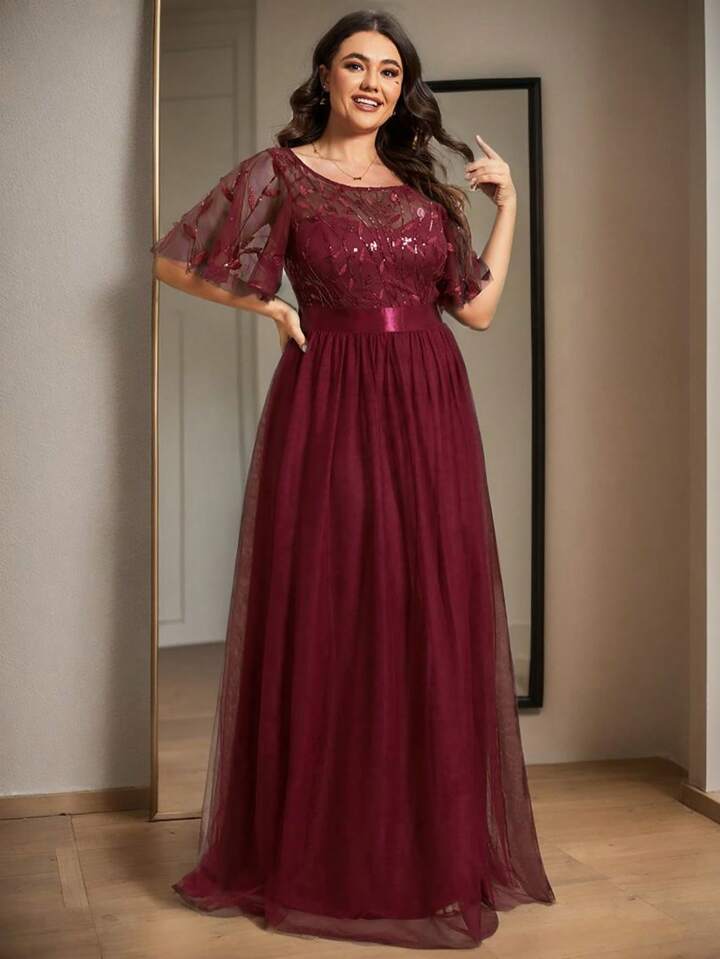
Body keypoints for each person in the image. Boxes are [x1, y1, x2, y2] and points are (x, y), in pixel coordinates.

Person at [150, 8, 555, 950]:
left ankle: (417, 848)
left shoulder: (424, 192)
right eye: (355, 65)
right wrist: (268, 307)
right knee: (337, 606)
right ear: (325, 76)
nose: (372, 82)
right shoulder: (279, 172)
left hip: (431, 406)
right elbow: (173, 260)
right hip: (330, 400)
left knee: (423, 609)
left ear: (402, 88)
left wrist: (511, 209)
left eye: (389, 70)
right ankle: (326, 851)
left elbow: (477, 312)